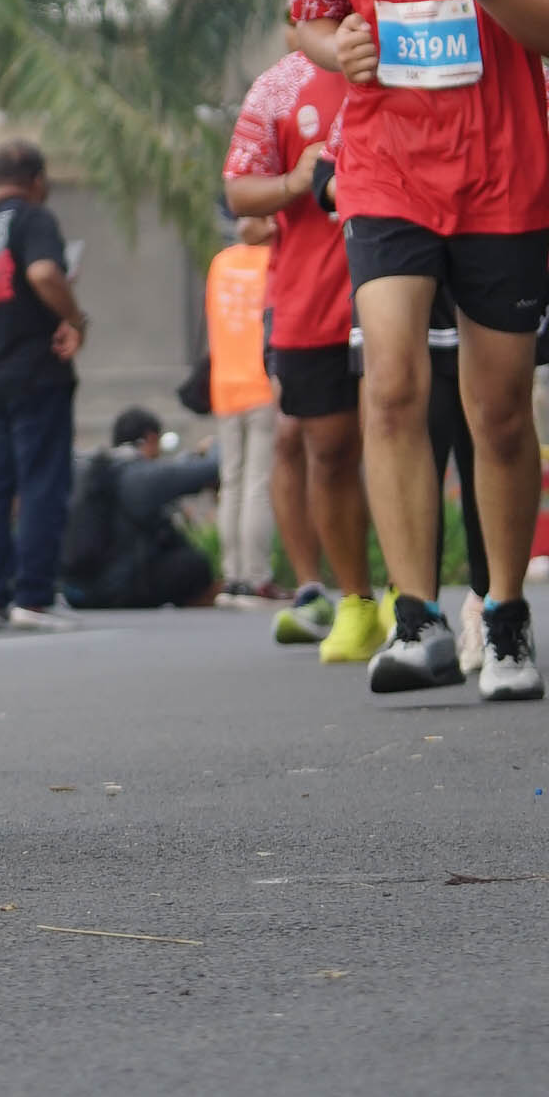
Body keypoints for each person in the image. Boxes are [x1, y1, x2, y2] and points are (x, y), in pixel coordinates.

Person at [287, 0, 549, 703]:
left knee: (497, 411)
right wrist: (335, 45)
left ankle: (503, 615)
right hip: (383, 170)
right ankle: (414, 619)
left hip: (499, 176)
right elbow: (304, 19)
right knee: (389, 385)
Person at [222, 52, 378, 662]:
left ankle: (412, 595)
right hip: (307, 300)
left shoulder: (410, 48)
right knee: (312, 443)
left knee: (401, 433)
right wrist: (293, 185)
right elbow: (240, 190)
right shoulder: (281, 86)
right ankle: (333, 594)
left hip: (399, 282)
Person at [0, 140, 84, 625]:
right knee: (41, 481)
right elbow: (44, 271)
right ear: (37, 181)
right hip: (33, 372)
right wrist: (75, 317)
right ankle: (34, 596)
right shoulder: (33, 218)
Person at [59, 408, 221, 608]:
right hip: (119, 590)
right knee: (194, 564)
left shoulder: (99, 469)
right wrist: (214, 446)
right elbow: (211, 468)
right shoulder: (140, 473)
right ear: (151, 438)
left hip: (77, 590)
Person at [201, 221, 277, 592]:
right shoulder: (273, 261)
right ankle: (256, 576)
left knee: (231, 482)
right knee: (258, 483)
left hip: (224, 384)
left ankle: (232, 575)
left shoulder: (221, 264)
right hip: (262, 383)